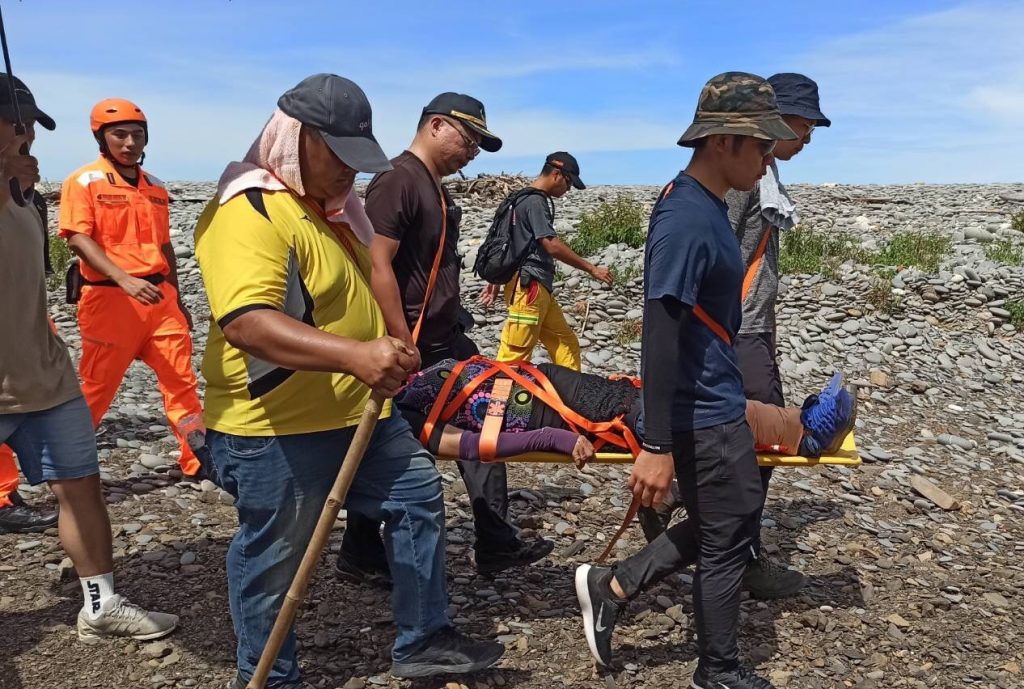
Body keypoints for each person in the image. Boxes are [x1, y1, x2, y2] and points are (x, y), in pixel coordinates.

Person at [194, 74, 504, 688]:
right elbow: (248, 324)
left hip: (358, 412)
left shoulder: (337, 212)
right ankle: (268, 675)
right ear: (295, 138)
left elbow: (370, 279)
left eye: (356, 160)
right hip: (273, 425)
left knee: (416, 498)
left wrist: (392, 343)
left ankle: (424, 638)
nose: (349, 174)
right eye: (337, 156)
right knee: (275, 557)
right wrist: (357, 355)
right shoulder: (250, 208)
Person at [573, 72, 798, 689]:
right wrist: (656, 444)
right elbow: (660, 332)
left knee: (726, 521)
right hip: (700, 412)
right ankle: (717, 671)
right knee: (727, 538)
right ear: (723, 141)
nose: (768, 157)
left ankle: (614, 584)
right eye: (761, 145)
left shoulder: (707, 207)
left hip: (715, 400)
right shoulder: (686, 217)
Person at [337, 92, 552, 586]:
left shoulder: (432, 185)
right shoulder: (397, 180)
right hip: (416, 342)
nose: (473, 150)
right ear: (436, 125)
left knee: (485, 416)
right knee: (395, 440)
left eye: (479, 142)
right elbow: (377, 263)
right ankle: (364, 549)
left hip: (445, 335)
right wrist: (398, 339)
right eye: (469, 137)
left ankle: (494, 540)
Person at [0, 72, 177, 644]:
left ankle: (100, 603)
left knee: (81, 486)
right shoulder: (69, 182)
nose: (28, 137)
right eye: (16, 125)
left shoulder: (25, 193)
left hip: (44, 373)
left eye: (32, 126)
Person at [725, 72, 832, 598]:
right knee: (768, 441)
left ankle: (718, 534)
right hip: (738, 332)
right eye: (805, 122)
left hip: (750, 329)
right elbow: (715, 258)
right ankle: (741, 559)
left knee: (755, 440)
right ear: (776, 119)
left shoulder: (761, 177)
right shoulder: (742, 179)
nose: (809, 135)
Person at [58, 98, 205, 477]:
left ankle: (197, 460)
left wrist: (178, 297)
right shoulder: (83, 181)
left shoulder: (155, 186)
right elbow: (76, 238)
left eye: (137, 135)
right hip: (110, 300)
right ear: (101, 138)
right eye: (119, 134)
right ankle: (64, 464)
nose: (129, 143)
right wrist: (124, 278)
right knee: (95, 388)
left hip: (161, 301)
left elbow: (165, 246)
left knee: (183, 383)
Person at [395, 357, 855, 467]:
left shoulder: (424, 373)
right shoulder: (410, 418)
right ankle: (803, 433)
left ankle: (795, 417)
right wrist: (554, 440)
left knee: (694, 395)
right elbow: (474, 446)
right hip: (586, 421)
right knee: (700, 413)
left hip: (588, 394)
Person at [483, 152, 613, 369]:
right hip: (528, 289)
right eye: (569, 182)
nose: (568, 189)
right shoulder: (535, 201)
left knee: (566, 341)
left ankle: (571, 395)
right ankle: (496, 402)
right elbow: (550, 244)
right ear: (556, 174)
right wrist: (592, 269)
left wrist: (496, 279)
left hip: (536, 288)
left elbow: (506, 241)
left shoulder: (518, 198)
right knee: (514, 357)